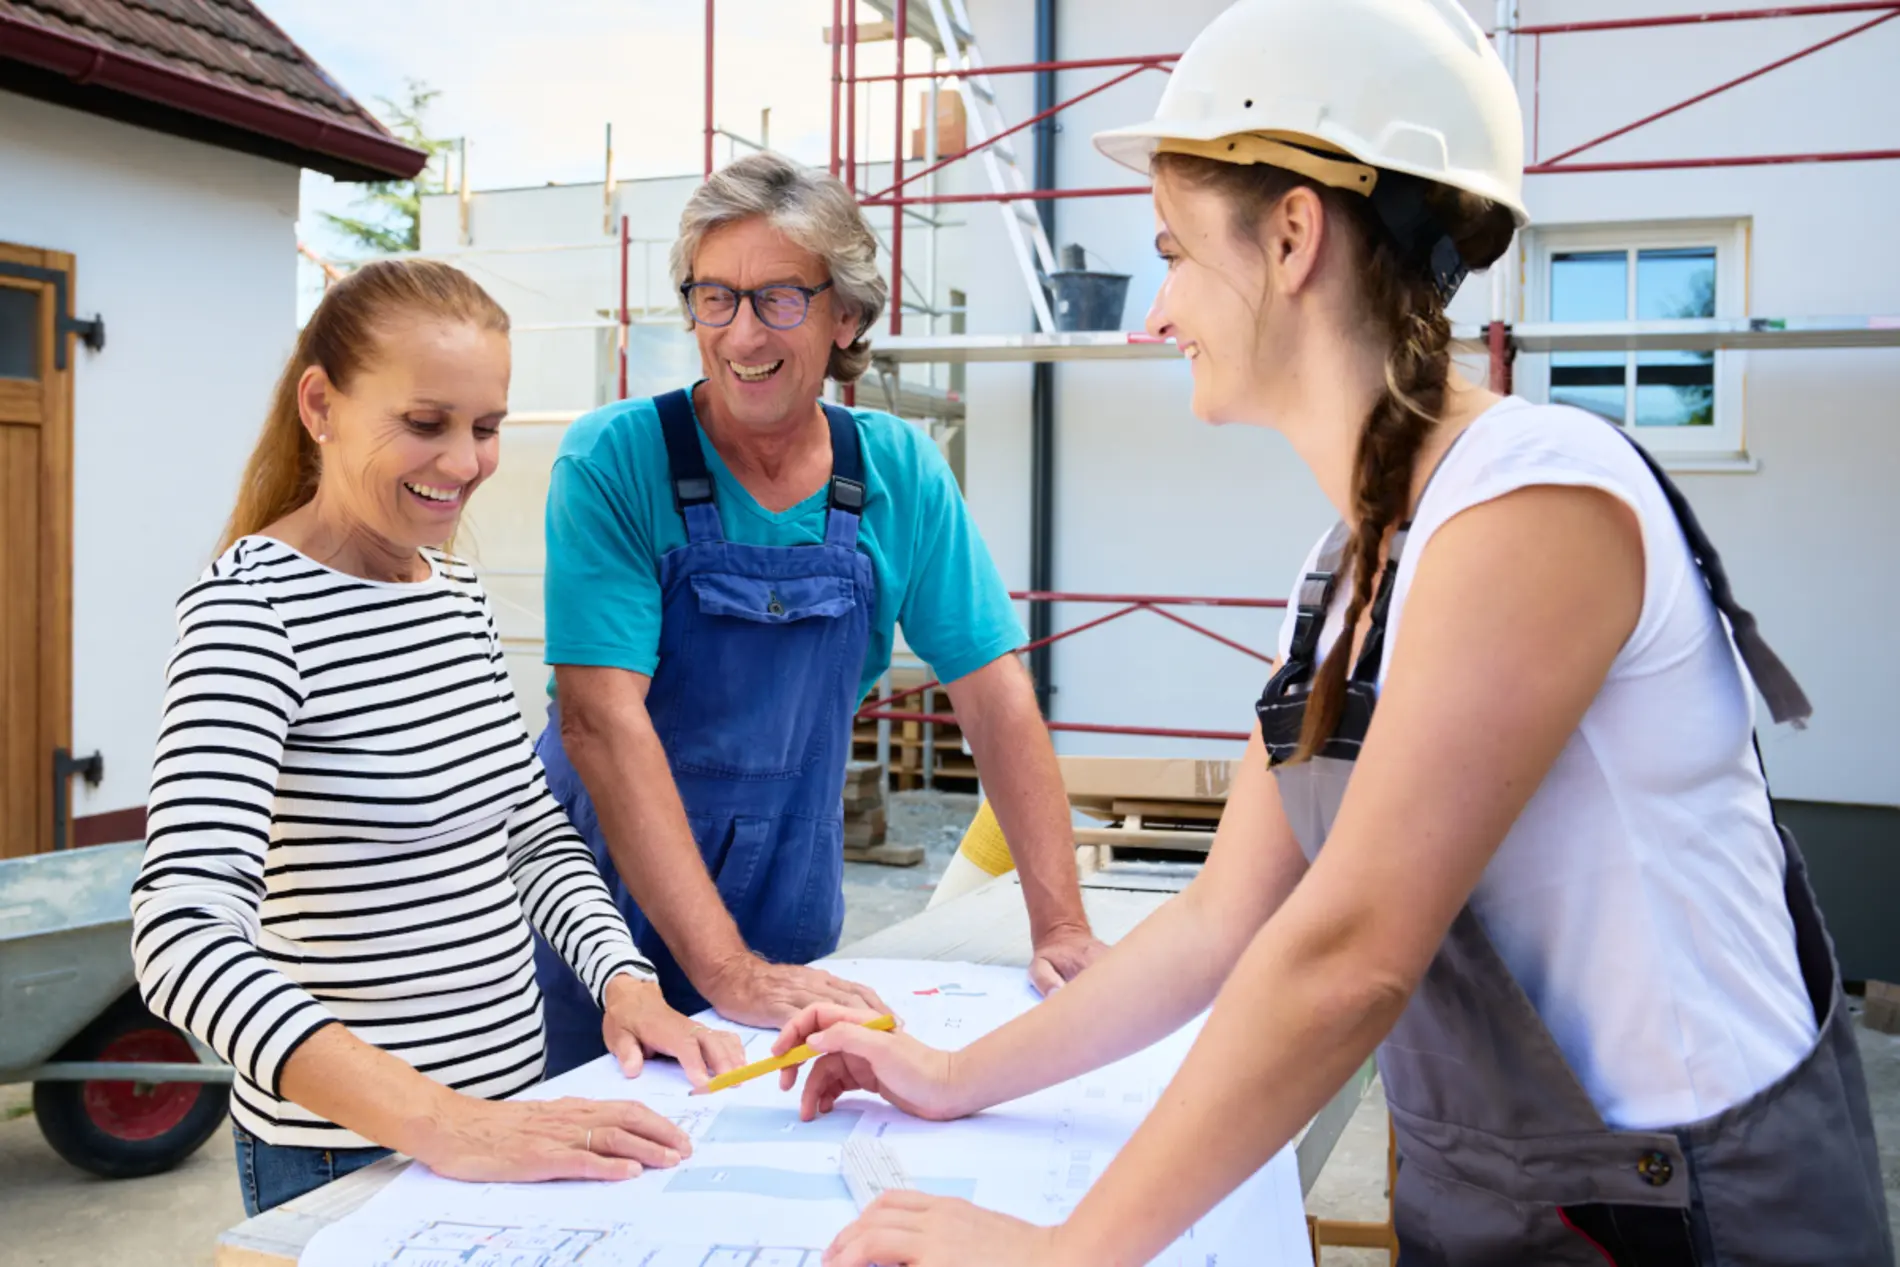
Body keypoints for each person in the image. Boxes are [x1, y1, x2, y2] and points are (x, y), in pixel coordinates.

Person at [766, 2, 1895, 1263]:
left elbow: (1351, 952)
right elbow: (1226, 918)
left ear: (1293, 234)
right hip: (1531, 1205)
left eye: (1176, 252)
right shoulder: (1354, 563)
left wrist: (1064, 1251)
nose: (1155, 311)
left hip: (1701, 1221)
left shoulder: (1538, 497)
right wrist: (950, 1075)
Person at [129, 261, 745, 1218]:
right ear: (320, 405)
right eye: (426, 424)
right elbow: (182, 936)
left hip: (513, 1120)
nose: (464, 462)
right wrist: (442, 1121)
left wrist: (625, 980)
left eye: (486, 427)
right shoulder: (249, 616)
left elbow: (530, 835)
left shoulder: (451, 596)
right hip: (349, 1160)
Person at [528, 152, 1107, 1074]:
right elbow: (599, 719)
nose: (742, 333)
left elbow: (994, 699)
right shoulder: (614, 460)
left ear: (847, 314)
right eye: (714, 297)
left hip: (786, 914)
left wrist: (1064, 927)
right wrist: (724, 969)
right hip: (601, 927)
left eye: (780, 299)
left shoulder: (898, 473)